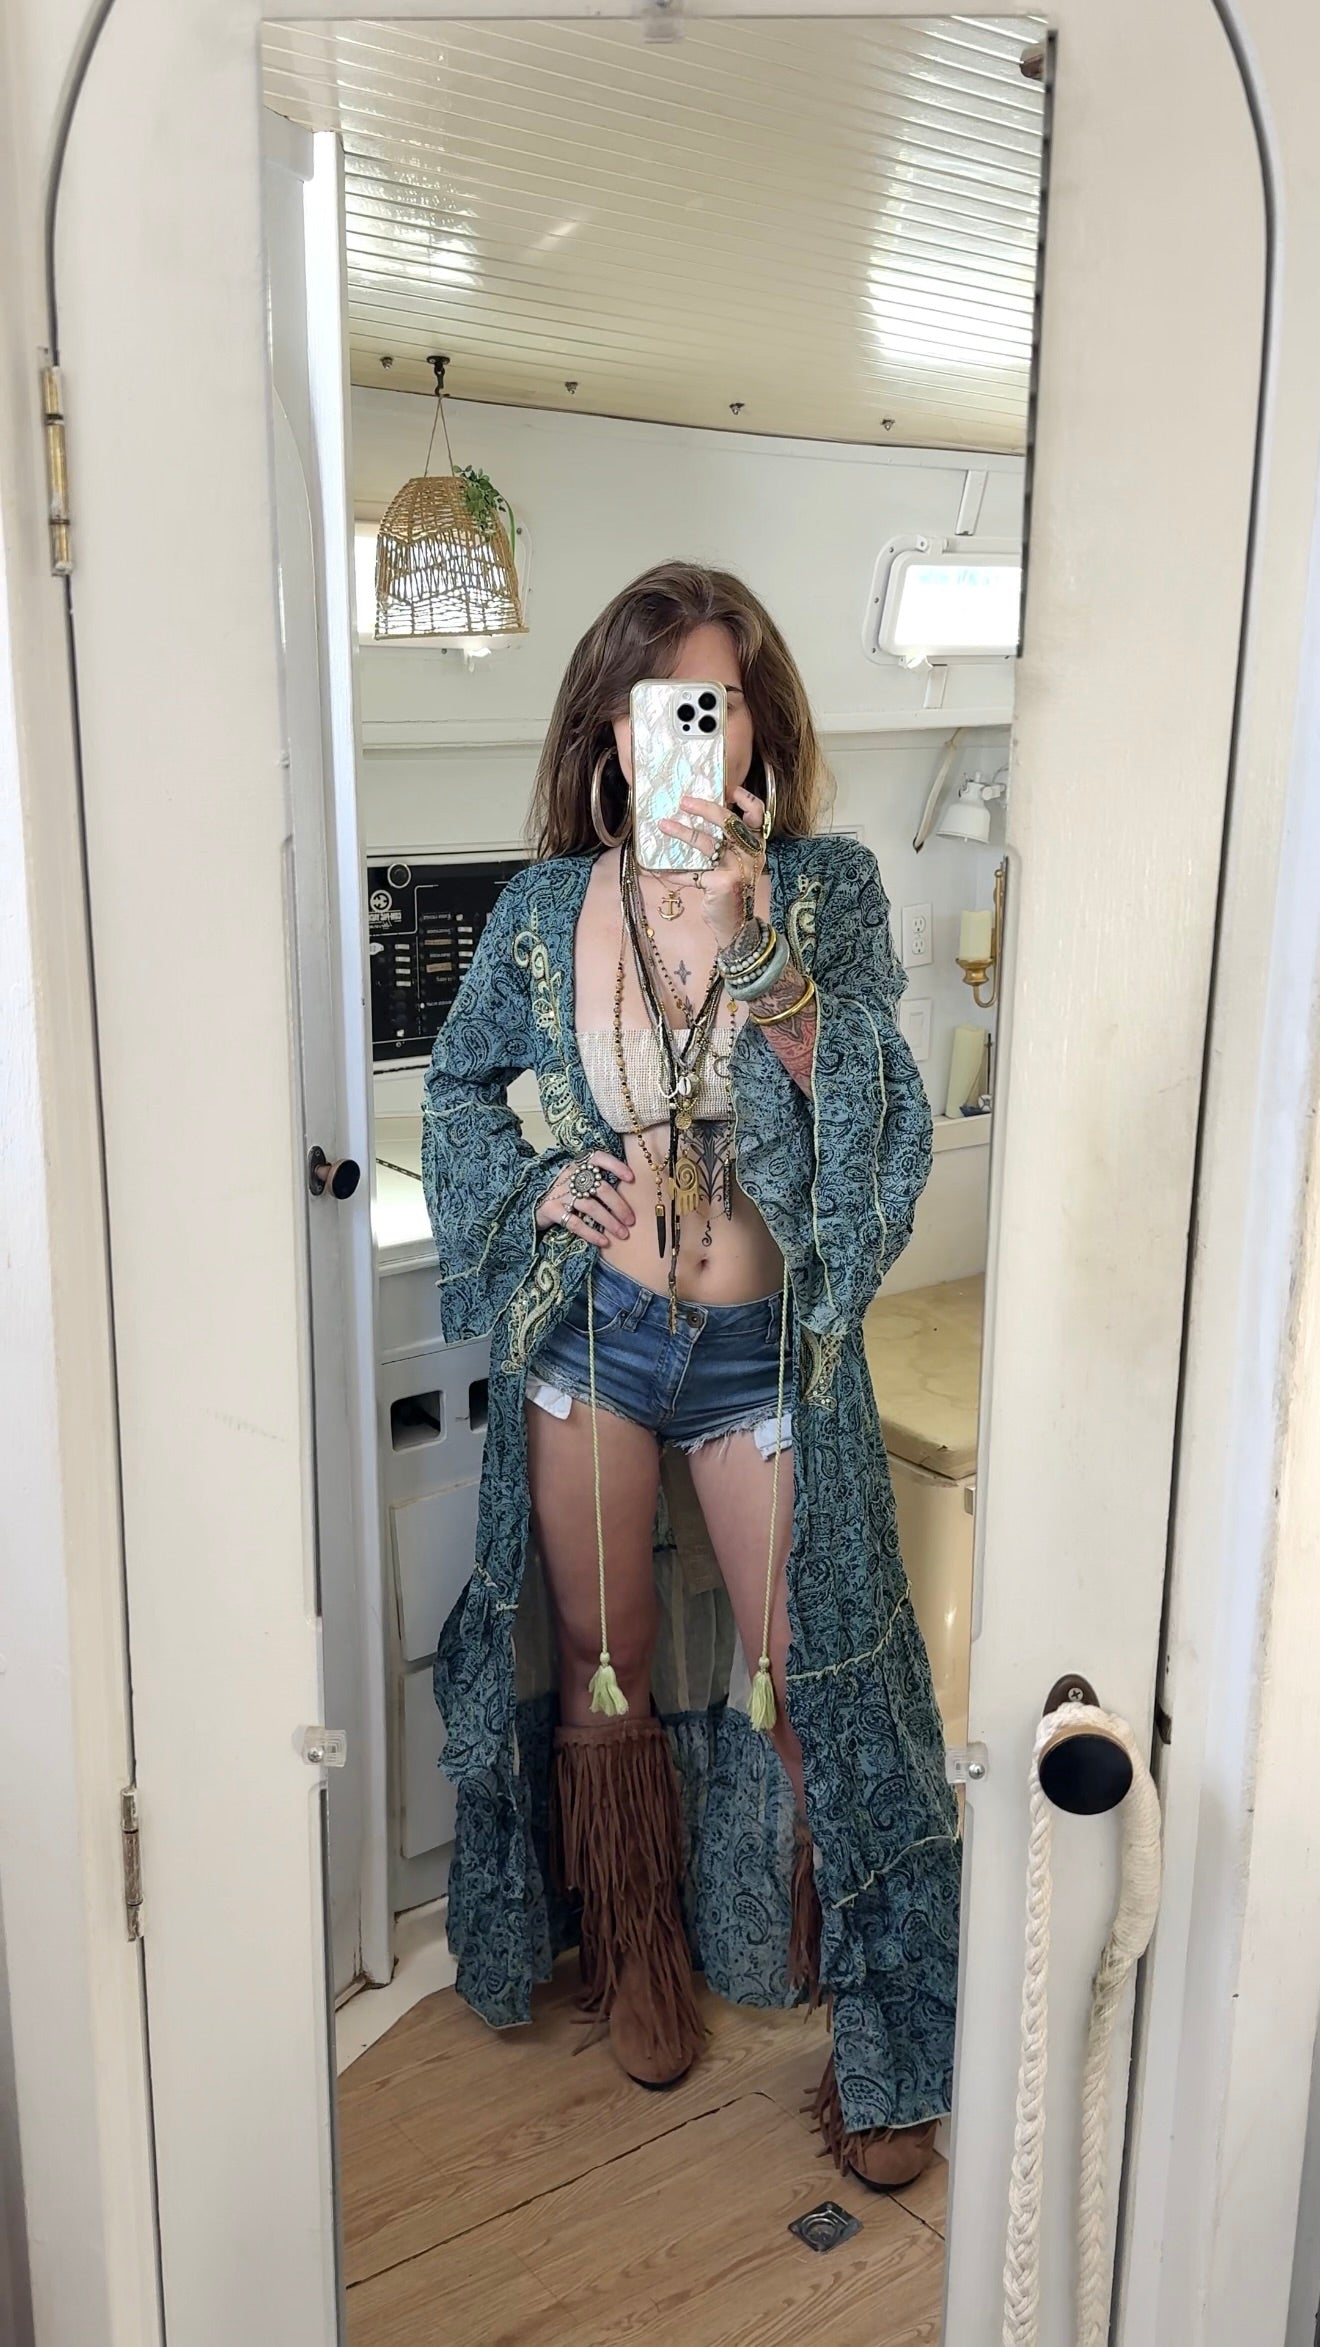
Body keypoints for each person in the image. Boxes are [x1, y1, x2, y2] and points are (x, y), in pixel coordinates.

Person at [422, 561, 960, 2189]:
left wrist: (757, 943)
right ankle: (638, 1958)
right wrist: (538, 1190)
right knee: (609, 1661)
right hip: (594, 1342)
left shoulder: (826, 890)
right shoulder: (541, 913)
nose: (694, 745)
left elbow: (882, 1115)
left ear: (758, 729)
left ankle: (878, 2041)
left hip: (756, 1353)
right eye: (665, 711)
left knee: (814, 1683)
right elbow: (457, 1093)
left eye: (717, 711)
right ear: (611, 728)